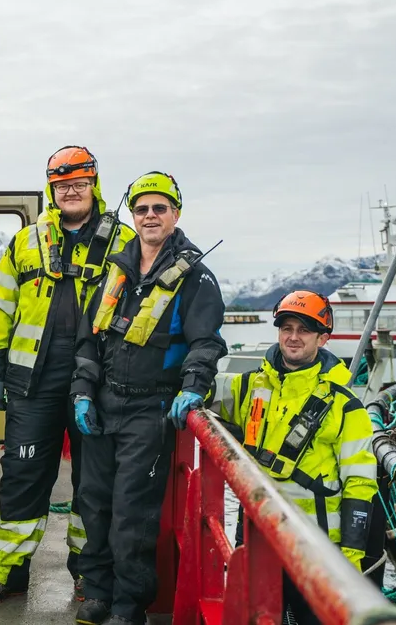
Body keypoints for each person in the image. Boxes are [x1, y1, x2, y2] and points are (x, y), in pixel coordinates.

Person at [0, 145, 136, 606]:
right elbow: (0, 305)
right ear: (51, 190)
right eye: (62, 185)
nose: (71, 191)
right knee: (22, 476)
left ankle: (88, 574)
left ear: (94, 186)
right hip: (33, 379)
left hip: (99, 382)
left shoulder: (122, 241)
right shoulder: (26, 241)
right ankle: (9, 572)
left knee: (94, 481)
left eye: (79, 183)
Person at [70, 172, 227, 625]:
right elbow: (88, 340)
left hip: (150, 409)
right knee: (93, 502)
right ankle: (97, 594)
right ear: (132, 217)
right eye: (142, 209)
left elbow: (207, 342)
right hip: (102, 403)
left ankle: (128, 606)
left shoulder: (196, 276)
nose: (150, 216)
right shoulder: (115, 270)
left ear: (175, 214)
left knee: (132, 513)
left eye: (160, 208)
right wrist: (82, 391)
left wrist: (194, 384)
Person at [221, 290, 378, 625]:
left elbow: (361, 484)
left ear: (322, 339)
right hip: (257, 534)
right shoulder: (249, 385)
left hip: (317, 546)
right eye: (286, 328)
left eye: (304, 330)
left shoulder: (346, 406)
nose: (293, 337)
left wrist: (349, 557)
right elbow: (202, 390)